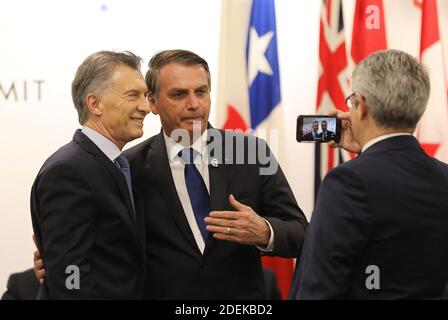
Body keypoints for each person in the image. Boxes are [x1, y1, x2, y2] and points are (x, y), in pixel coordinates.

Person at [124, 49, 308, 299]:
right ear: (153, 102)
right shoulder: (130, 166)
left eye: (201, 91)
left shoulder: (251, 153)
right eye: (179, 94)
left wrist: (265, 231)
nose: (194, 104)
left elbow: (300, 233)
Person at [290, 49, 448, 299]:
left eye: (352, 102)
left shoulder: (348, 183)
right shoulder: (443, 176)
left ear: (361, 106)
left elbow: (317, 288)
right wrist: (367, 151)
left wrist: (366, 159)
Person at [30, 51, 150, 299]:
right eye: (133, 95)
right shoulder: (69, 171)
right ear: (94, 103)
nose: (145, 107)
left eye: (145, 95)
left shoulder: (117, 164)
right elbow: (69, 274)